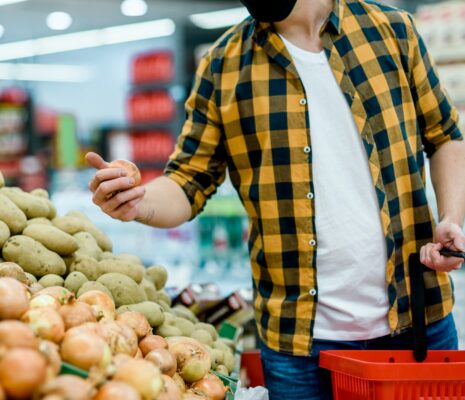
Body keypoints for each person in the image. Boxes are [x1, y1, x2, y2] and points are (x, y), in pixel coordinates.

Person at [87, 0, 465, 398]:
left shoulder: (391, 31)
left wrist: (452, 217)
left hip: (417, 321)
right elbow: (187, 181)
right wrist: (139, 201)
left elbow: (444, 137)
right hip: (297, 345)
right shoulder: (224, 64)